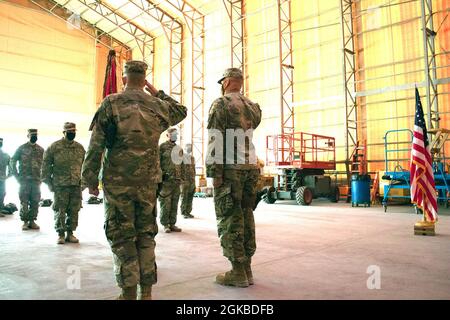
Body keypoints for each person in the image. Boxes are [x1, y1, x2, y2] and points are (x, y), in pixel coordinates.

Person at [82, 60, 187, 300]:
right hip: (148, 182)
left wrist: (89, 179)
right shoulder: (158, 105)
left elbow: (96, 144)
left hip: (118, 182)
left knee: (122, 234)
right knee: (146, 234)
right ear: (145, 78)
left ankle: (128, 292)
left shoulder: (112, 102)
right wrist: (155, 91)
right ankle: (146, 292)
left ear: (124, 78)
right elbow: (180, 110)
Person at [206, 68, 262, 287]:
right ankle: (247, 268)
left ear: (227, 81)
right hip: (250, 168)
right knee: (246, 215)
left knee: (229, 217)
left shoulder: (221, 104)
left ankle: (237, 271)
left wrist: (214, 172)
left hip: (231, 169)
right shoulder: (252, 106)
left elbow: (215, 138)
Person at [41, 122, 86, 244]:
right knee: (60, 210)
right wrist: (49, 183)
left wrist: (85, 183)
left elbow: (86, 166)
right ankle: (60, 234)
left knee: (74, 210)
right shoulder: (54, 147)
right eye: (69, 132)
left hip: (76, 185)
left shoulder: (80, 148)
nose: (72, 134)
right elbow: (45, 166)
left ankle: (70, 233)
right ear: (64, 132)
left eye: (74, 132)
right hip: (60, 185)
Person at [10, 129, 44, 230]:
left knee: (35, 201)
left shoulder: (41, 150)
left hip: (36, 180)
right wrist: (16, 176)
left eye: (36, 135)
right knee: (24, 201)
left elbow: (46, 164)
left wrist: (43, 177)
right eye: (32, 135)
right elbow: (13, 161)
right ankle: (25, 222)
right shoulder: (21, 148)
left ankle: (32, 221)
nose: (34, 136)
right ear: (28, 136)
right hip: (24, 180)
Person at [158, 128, 184, 233]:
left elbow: (182, 165)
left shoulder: (178, 149)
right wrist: (159, 177)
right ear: (168, 135)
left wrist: (183, 178)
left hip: (176, 181)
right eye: (173, 134)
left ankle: (172, 223)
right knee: (166, 203)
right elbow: (157, 163)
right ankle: (165, 224)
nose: (175, 136)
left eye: (176, 134)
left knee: (175, 203)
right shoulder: (162, 147)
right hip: (166, 181)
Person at [180, 143, 196, 219]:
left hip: (192, 180)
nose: (190, 149)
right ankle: (183, 212)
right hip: (185, 180)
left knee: (190, 196)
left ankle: (188, 212)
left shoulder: (192, 158)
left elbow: (193, 169)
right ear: (185, 148)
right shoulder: (182, 157)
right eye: (188, 147)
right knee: (184, 196)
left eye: (191, 147)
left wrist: (194, 179)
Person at [0, 138, 11, 217]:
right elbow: (11, 170)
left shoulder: (6, 156)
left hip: (2, 179)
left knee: (2, 194)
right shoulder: (6, 155)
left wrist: (7, 176)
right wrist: (7, 176)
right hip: (2, 179)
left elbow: (11, 169)